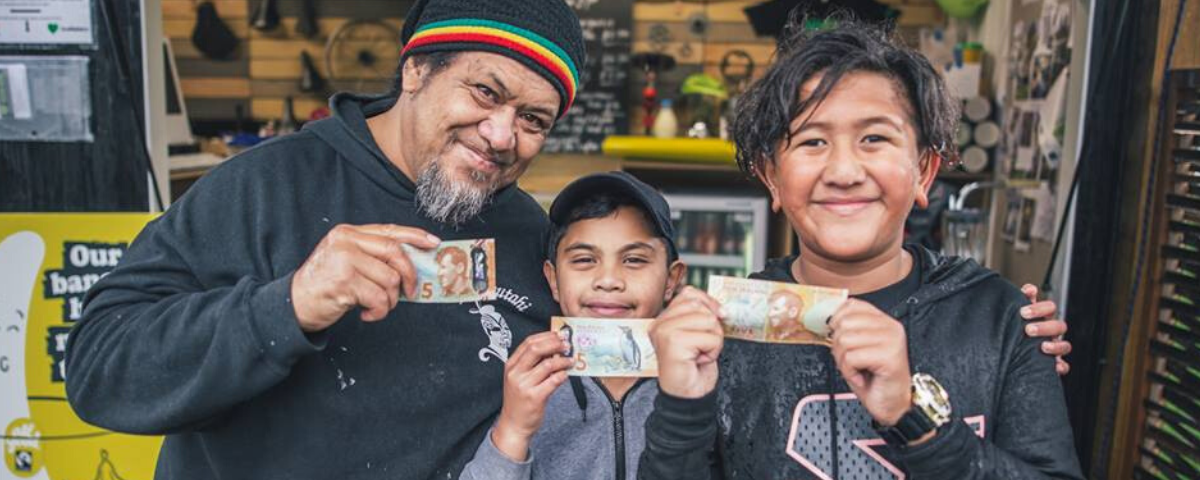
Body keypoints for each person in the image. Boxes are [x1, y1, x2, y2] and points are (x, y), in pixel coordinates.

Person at [63, 0, 586, 478]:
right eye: (486, 92)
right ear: (416, 70)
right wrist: (288, 305)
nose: (501, 135)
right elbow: (99, 371)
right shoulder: (265, 187)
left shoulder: (530, 234)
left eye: (532, 120)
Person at [639, 18, 1084, 480]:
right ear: (772, 176)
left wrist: (914, 418)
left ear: (923, 171)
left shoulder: (1000, 320)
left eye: (874, 138)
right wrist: (681, 409)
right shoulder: (726, 333)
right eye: (812, 141)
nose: (844, 171)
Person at [459, 172, 687, 480]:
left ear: (671, 280)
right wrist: (514, 429)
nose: (608, 281)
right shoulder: (526, 383)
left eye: (634, 260)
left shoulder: (695, 383)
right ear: (553, 279)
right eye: (583, 260)